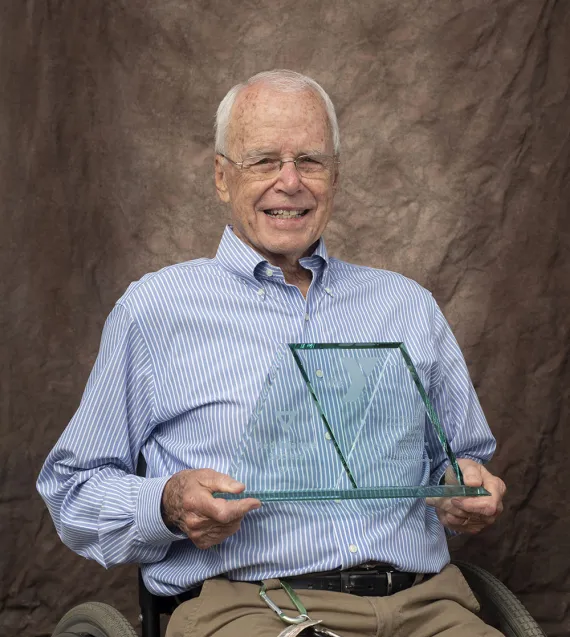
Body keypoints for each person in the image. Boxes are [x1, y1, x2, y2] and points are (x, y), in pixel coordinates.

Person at [37, 70, 507, 637]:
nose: (290, 182)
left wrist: (466, 490)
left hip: (425, 609)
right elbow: (72, 489)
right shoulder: (156, 311)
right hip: (254, 611)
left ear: (335, 176)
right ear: (220, 177)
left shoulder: (407, 307)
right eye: (263, 161)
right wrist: (166, 503)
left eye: (310, 161)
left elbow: (458, 467)